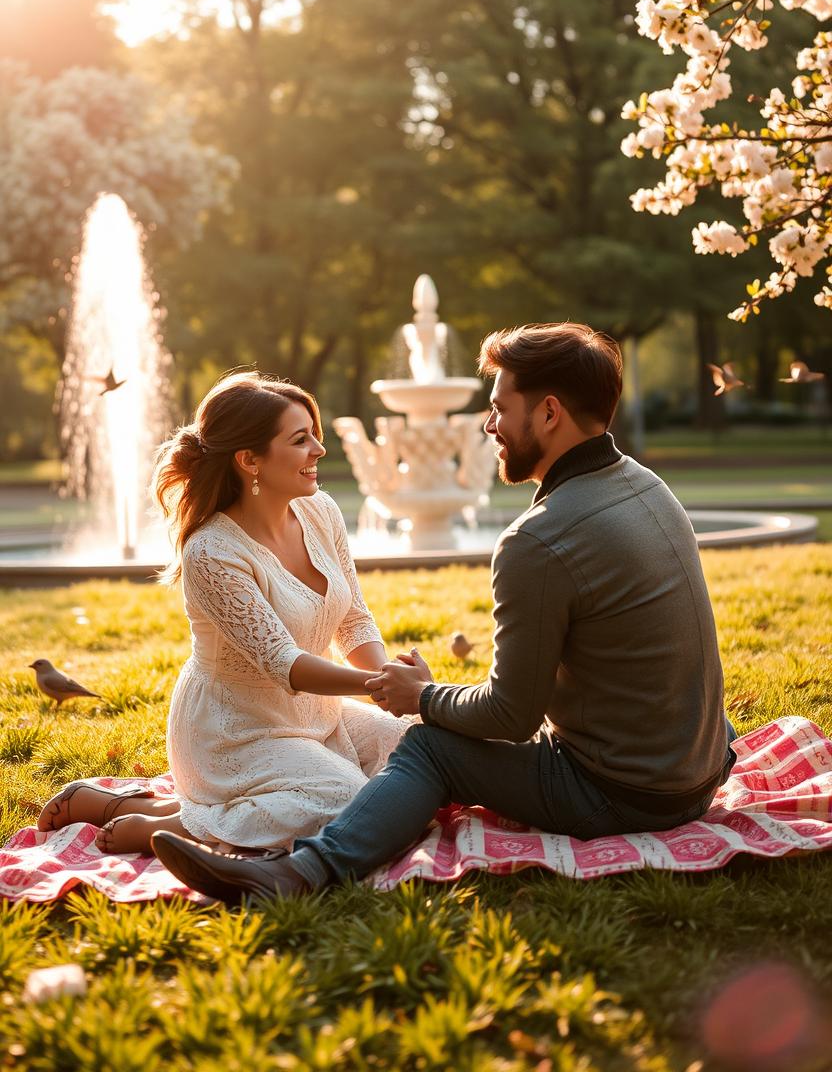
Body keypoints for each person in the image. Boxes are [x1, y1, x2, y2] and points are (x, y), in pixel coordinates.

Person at [151, 324, 737, 903]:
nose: (489, 427)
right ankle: (197, 818)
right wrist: (402, 689)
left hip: (623, 795)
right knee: (418, 740)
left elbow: (510, 715)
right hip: (701, 768)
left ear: (550, 413)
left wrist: (424, 696)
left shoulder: (540, 539)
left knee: (429, 748)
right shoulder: (647, 485)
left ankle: (298, 874)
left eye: (500, 409)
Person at [36, 372, 413, 855]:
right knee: (349, 802)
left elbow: (353, 618)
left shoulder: (321, 511)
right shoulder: (212, 551)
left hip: (318, 713)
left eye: (314, 434)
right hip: (231, 733)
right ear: (249, 460)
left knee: (417, 746)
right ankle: (169, 822)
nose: (319, 449)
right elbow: (286, 665)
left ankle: (166, 811)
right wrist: (381, 687)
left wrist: (390, 678)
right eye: (301, 440)